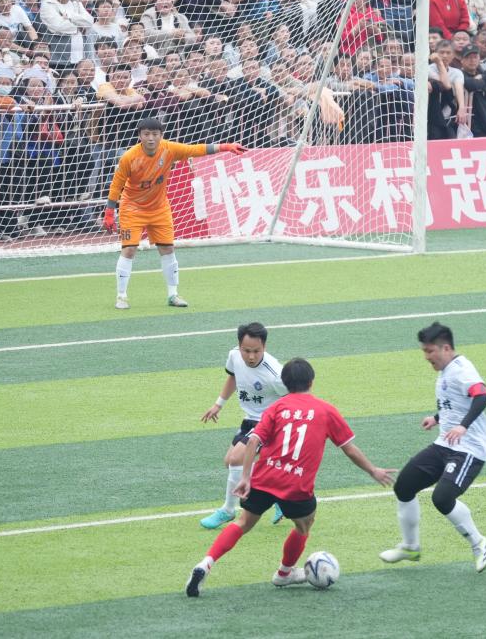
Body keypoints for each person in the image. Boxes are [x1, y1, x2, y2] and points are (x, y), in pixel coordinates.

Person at [185, 357, 395, 597]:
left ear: (284, 383)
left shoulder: (276, 407)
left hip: (263, 477)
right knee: (304, 525)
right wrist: (373, 470)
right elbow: (349, 448)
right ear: (311, 381)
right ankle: (284, 573)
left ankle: (206, 563)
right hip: (296, 485)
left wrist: (245, 477)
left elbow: (253, 441)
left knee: (243, 522)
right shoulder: (326, 410)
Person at [380, 322, 486, 573]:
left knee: (442, 498)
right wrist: (437, 418)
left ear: (446, 348)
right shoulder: (445, 370)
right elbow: (456, 402)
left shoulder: (462, 369)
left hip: (468, 450)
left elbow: (482, 395)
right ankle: (410, 547)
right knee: (404, 486)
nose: (426, 357)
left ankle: (478, 542)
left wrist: (462, 426)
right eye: (424, 351)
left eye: (430, 351)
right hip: (445, 444)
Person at [103, 117, 246, 309]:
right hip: (132, 208)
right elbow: (116, 185)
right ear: (139, 136)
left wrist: (225, 147)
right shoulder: (129, 157)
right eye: (146, 134)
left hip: (159, 208)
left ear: (161, 135)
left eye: (155, 134)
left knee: (168, 249)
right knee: (129, 249)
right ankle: (121, 296)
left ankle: (173, 294)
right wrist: (109, 212)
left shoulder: (169, 149)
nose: (151, 138)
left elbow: (196, 149)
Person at [200, 322, 288, 529]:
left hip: (269, 422)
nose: (251, 356)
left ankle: (228, 510)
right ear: (239, 346)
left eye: (256, 351)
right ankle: (277, 495)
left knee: (236, 459)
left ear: (264, 347)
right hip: (249, 419)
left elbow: (292, 398)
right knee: (230, 463)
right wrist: (218, 405)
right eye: (246, 351)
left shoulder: (276, 374)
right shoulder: (234, 356)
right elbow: (232, 377)